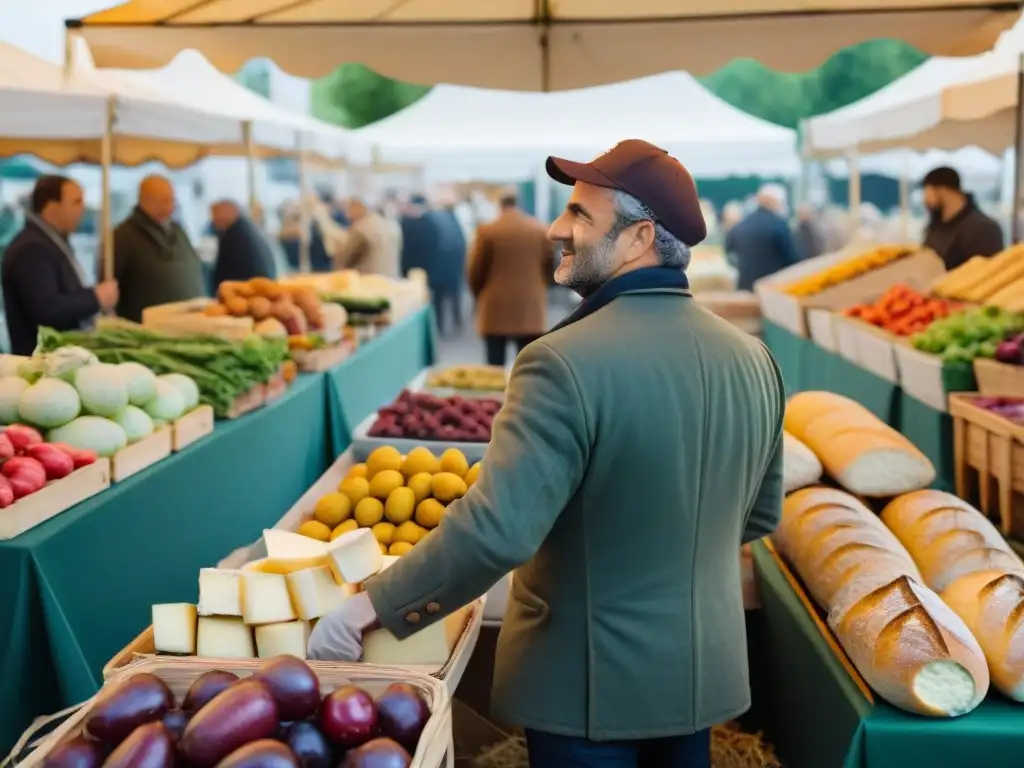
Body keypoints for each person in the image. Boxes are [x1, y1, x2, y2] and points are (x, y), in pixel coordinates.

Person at [308, 139, 786, 768]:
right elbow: (758, 515)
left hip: (586, 685)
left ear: (640, 238)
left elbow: (496, 532)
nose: (557, 229)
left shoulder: (560, 361)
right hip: (702, 675)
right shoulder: (755, 359)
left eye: (581, 216)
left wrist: (371, 608)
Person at [2, 176, 118, 355]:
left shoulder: (50, 240)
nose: (83, 209)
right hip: (42, 363)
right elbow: (46, 310)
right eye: (76, 202)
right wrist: (95, 298)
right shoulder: (32, 249)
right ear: (52, 207)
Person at [468, 191, 554, 366]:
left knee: (494, 366)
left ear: (500, 205)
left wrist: (478, 295)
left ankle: (497, 393)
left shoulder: (487, 231)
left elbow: (476, 271)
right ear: (518, 204)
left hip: (495, 305)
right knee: (528, 365)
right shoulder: (540, 230)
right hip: (530, 306)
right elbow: (550, 268)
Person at [112, 175, 206, 322]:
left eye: (172, 200)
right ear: (146, 200)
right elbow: (111, 284)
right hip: (147, 329)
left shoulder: (177, 229)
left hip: (189, 322)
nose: (171, 206)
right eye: (165, 200)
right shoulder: (122, 236)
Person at [921, 166, 1004, 270]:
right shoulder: (934, 226)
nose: (923, 201)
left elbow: (989, 274)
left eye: (926, 193)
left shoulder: (984, 228)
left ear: (941, 190)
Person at [725, 183, 801, 291]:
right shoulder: (780, 226)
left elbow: (730, 255)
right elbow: (793, 259)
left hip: (745, 288)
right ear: (774, 202)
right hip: (772, 290)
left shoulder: (740, 226)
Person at [208, 200, 277, 291]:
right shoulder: (247, 227)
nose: (213, 219)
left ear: (228, 213)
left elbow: (223, 273)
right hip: (263, 285)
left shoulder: (233, 234)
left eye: (215, 214)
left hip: (249, 291)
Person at [332, 198, 401, 278]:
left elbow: (344, 261)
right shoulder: (391, 225)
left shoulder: (361, 229)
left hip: (368, 284)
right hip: (392, 281)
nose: (347, 215)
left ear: (358, 208)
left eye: (349, 209)